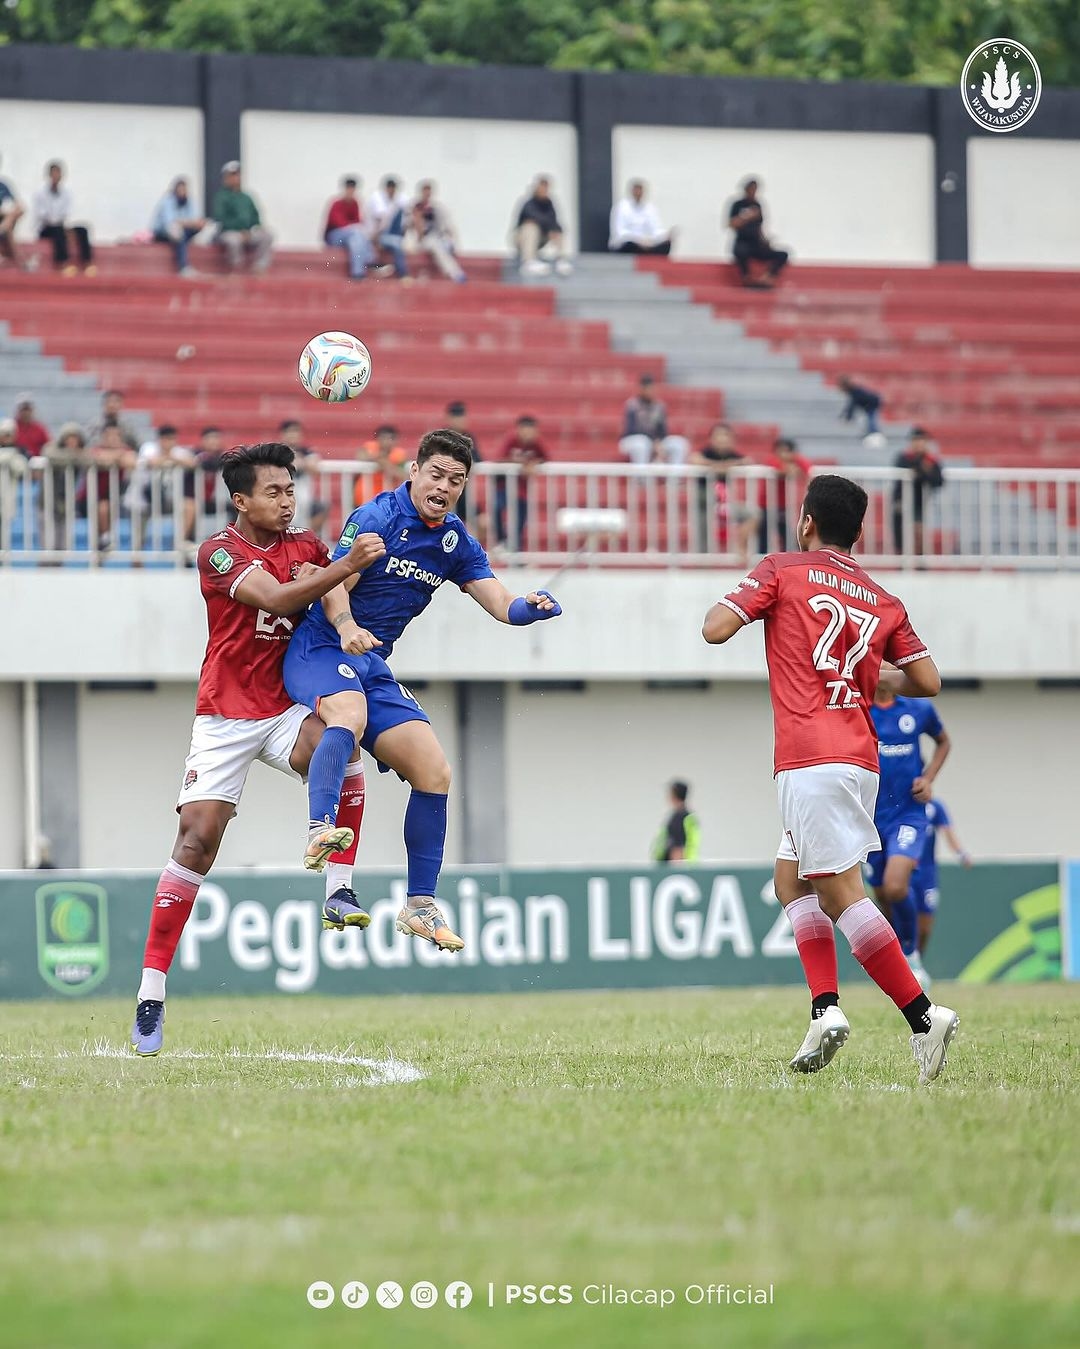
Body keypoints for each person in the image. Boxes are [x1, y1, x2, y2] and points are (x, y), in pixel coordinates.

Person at [129, 443, 387, 1055]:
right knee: (197, 840)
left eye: (290, 488)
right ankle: (150, 994)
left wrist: (345, 619)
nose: (286, 499)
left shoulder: (307, 546)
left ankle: (339, 889)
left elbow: (333, 593)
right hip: (224, 714)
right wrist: (341, 564)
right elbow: (274, 599)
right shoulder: (218, 551)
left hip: (282, 706)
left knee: (341, 741)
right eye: (273, 491)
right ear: (240, 500)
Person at [702, 473, 958, 1085]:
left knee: (840, 891)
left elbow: (714, 627)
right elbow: (929, 682)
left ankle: (924, 1017)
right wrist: (874, 673)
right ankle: (825, 1009)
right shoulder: (881, 599)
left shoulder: (782, 569)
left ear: (805, 520)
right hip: (858, 756)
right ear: (861, 533)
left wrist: (747, 599)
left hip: (810, 756)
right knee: (791, 881)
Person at [283, 428, 562, 953]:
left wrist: (531, 607)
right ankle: (320, 828)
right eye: (436, 474)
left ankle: (419, 906)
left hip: (371, 664)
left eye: (456, 480)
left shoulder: (456, 542)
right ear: (413, 472)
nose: (444, 486)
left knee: (434, 771)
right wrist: (345, 628)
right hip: (321, 647)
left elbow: (501, 604)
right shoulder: (377, 518)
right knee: (348, 714)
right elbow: (334, 580)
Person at [866, 690, 952, 987]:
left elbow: (943, 741)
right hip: (870, 818)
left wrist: (928, 779)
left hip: (908, 814)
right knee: (882, 895)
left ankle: (911, 956)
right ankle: (899, 965)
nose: (886, 667)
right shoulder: (858, 705)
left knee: (895, 884)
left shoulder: (917, 709)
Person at [911, 798, 972, 975]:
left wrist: (961, 853)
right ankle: (905, 967)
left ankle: (916, 966)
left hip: (927, 875)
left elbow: (948, 832)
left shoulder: (935, 807)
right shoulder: (900, 804)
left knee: (925, 927)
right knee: (905, 919)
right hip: (905, 872)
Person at [689, 422, 758, 565]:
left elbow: (748, 461)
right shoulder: (706, 452)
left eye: (726, 436)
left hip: (725, 503)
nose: (722, 439)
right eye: (718, 435)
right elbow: (695, 459)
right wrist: (722, 467)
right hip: (705, 501)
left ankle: (741, 549)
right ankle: (703, 562)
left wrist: (720, 467)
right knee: (704, 532)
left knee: (753, 514)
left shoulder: (732, 454)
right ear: (711, 438)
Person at [32, 161, 95, 275]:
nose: (56, 176)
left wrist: (66, 228)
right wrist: (58, 224)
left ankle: (87, 263)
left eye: (58, 173)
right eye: (54, 173)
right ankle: (63, 262)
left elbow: (67, 213)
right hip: (46, 228)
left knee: (82, 230)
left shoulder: (67, 193)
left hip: (61, 226)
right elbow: (42, 216)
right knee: (58, 231)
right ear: (49, 175)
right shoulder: (40, 193)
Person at [494, 415, 548, 548]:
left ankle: (516, 554)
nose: (528, 434)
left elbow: (545, 458)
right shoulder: (511, 441)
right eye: (526, 430)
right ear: (519, 430)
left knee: (519, 523)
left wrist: (534, 463)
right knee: (497, 509)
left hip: (522, 492)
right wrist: (520, 464)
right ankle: (502, 539)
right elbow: (499, 460)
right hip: (504, 487)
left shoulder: (536, 444)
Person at [212, 161, 273, 273]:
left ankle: (259, 267)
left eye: (237, 174)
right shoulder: (221, 196)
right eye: (232, 175)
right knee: (233, 240)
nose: (236, 178)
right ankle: (237, 269)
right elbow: (220, 218)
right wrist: (240, 231)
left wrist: (255, 227)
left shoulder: (246, 197)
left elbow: (256, 216)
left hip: (247, 233)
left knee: (267, 235)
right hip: (229, 232)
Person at [727, 178, 787, 288]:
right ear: (746, 189)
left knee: (783, 254)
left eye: (755, 189)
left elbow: (759, 227)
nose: (753, 192)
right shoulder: (737, 204)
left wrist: (765, 241)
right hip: (742, 242)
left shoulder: (758, 205)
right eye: (751, 189)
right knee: (741, 251)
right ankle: (746, 278)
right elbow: (731, 224)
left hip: (756, 244)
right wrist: (747, 216)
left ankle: (767, 278)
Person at [892, 428, 944, 556]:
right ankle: (902, 561)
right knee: (901, 534)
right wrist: (923, 470)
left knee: (919, 534)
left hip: (920, 503)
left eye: (921, 441)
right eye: (915, 441)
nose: (918, 444)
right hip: (902, 501)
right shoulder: (903, 458)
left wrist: (921, 470)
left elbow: (937, 480)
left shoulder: (930, 460)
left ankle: (920, 563)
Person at [618, 374, 689, 467]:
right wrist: (653, 441)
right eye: (648, 389)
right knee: (642, 444)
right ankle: (641, 478)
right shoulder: (632, 405)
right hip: (632, 440)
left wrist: (658, 443)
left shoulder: (659, 406)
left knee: (679, 443)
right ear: (641, 389)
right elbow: (631, 430)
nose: (651, 391)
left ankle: (674, 478)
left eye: (652, 389)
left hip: (655, 441)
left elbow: (663, 430)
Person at [757, 437, 811, 553]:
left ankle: (787, 556)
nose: (783, 454)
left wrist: (793, 461)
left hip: (782, 505)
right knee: (764, 533)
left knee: (785, 533)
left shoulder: (794, 461)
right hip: (766, 504)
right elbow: (780, 469)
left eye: (787, 451)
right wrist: (789, 468)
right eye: (780, 451)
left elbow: (807, 467)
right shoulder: (771, 460)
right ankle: (761, 557)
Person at [514, 176, 572, 277]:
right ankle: (528, 262)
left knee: (557, 231)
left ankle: (561, 260)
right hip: (522, 239)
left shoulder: (549, 205)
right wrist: (548, 226)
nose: (543, 190)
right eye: (541, 187)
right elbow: (533, 218)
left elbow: (554, 221)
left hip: (541, 238)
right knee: (531, 227)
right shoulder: (529, 203)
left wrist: (553, 229)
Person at [277, 420, 327, 537]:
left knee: (321, 507)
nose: (293, 435)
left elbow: (314, 467)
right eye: (290, 432)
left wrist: (300, 462)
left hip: (304, 495)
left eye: (296, 432)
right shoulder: (277, 452)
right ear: (283, 434)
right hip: (281, 493)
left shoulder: (307, 451)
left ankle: (307, 537)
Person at [408, 181, 466, 282]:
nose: (427, 194)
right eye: (425, 191)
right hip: (422, 240)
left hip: (436, 237)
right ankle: (455, 274)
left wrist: (452, 238)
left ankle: (454, 272)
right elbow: (412, 227)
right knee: (435, 245)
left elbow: (447, 224)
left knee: (445, 245)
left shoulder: (436, 208)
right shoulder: (415, 207)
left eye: (429, 191)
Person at [152, 176, 206, 277]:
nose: (182, 192)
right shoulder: (167, 201)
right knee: (177, 232)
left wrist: (191, 223)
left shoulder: (189, 201)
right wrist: (188, 222)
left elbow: (196, 219)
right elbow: (170, 222)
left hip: (181, 232)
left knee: (196, 229)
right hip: (162, 232)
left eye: (184, 190)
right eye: (180, 189)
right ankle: (183, 267)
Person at [323, 176, 373, 281]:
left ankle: (358, 273)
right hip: (334, 238)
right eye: (349, 189)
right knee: (356, 233)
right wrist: (355, 227)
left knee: (356, 239)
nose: (351, 191)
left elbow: (358, 221)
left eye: (353, 189)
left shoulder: (355, 203)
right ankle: (370, 259)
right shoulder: (336, 203)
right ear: (345, 189)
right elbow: (340, 224)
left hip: (350, 237)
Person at [445, 400, 483, 537]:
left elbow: (477, 459)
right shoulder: (442, 437)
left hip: (462, 492)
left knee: (481, 522)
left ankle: (474, 553)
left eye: (461, 416)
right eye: (456, 417)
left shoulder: (468, 438)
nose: (459, 420)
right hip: (444, 490)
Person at [609, 180, 673, 255]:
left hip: (645, 245)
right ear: (632, 191)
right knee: (631, 245)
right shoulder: (621, 207)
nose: (638, 193)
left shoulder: (650, 208)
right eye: (636, 191)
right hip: (627, 245)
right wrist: (638, 240)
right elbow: (619, 233)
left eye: (640, 191)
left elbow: (655, 230)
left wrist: (666, 235)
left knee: (665, 245)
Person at [353, 425, 409, 506]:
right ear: (378, 439)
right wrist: (381, 460)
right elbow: (361, 456)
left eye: (391, 438)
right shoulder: (369, 447)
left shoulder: (399, 455)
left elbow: (402, 475)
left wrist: (384, 464)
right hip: (364, 497)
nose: (387, 442)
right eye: (384, 438)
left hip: (386, 500)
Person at [367, 176, 407, 279]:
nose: (391, 190)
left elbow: (408, 213)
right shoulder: (377, 198)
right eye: (390, 187)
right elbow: (380, 221)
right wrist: (375, 239)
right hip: (375, 235)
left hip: (387, 235)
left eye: (393, 188)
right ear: (386, 188)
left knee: (397, 241)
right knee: (397, 243)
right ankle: (403, 275)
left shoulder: (399, 200)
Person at [652, 781, 700, 863]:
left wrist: (676, 870)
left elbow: (677, 847)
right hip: (688, 865)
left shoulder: (679, 817)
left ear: (674, 795)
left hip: (677, 868)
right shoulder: (688, 816)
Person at [0, 156, 26, 269]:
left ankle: (2, 228)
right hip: (4, 217)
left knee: (9, 221)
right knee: (8, 224)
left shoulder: (3, 185)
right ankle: (18, 258)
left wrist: (10, 215)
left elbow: (18, 205)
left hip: (4, 220)